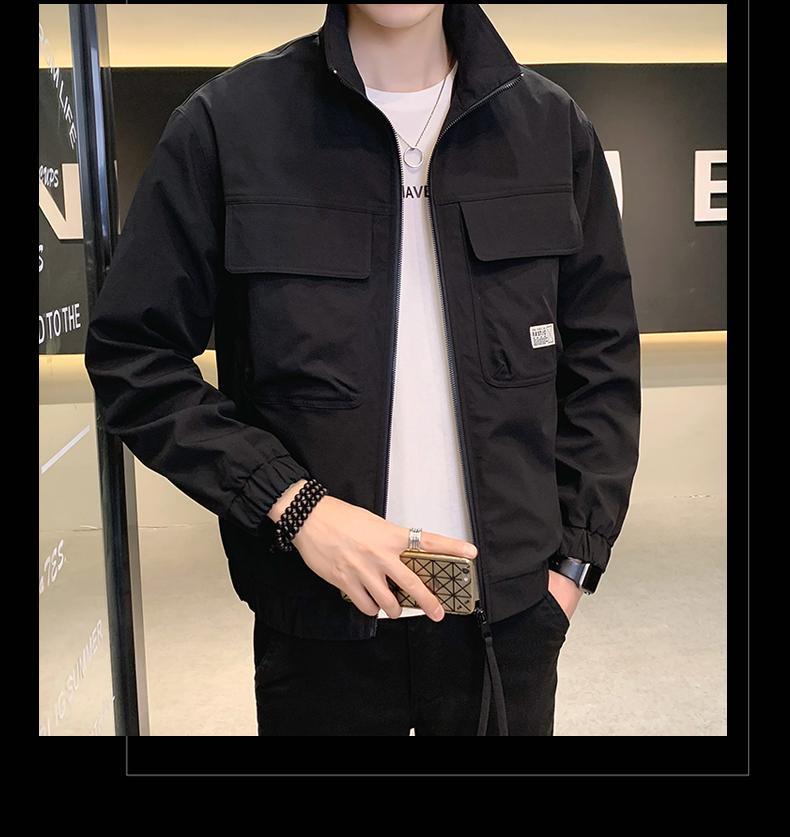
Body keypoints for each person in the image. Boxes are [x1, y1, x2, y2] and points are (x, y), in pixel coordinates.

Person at [84, 3, 641, 736]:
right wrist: (295, 507)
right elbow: (134, 355)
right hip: (318, 627)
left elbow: (603, 361)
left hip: (507, 629)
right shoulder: (228, 126)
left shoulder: (552, 130)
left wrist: (572, 567)